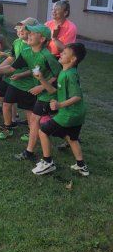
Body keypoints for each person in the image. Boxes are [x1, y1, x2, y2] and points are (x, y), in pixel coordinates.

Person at [0, 24, 61, 161]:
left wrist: (42, 87)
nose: (29, 35)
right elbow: (12, 68)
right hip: (41, 92)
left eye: (33, 34)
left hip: (50, 93)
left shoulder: (47, 56)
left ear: (42, 39)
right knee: (35, 120)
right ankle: (31, 151)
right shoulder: (26, 52)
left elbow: (58, 75)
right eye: (29, 33)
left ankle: (43, 155)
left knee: (38, 121)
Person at [31, 43, 88, 176]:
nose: (61, 54)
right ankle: (81, 166)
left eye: (64, 53)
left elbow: (77, 97)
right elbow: (54, 91)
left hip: (69, 114)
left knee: (43, 131)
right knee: (72, 138)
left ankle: (48, 162)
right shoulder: (65, 72)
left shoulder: (70, 75)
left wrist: (59, 105)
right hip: (78, 114)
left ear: (73, 59)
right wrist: (42, 79)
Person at [0, 17, 39, 140]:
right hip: (15, 82)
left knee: (28, 109)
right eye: (19, 28)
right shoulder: (16, 42)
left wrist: (20, 75)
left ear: (32, 31)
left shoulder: (34, 46)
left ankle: (31, 132)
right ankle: (8, 128)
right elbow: (11, 59)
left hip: (29, 84)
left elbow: (35, 69)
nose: (20, 31)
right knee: (6, 104)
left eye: (23, 29)